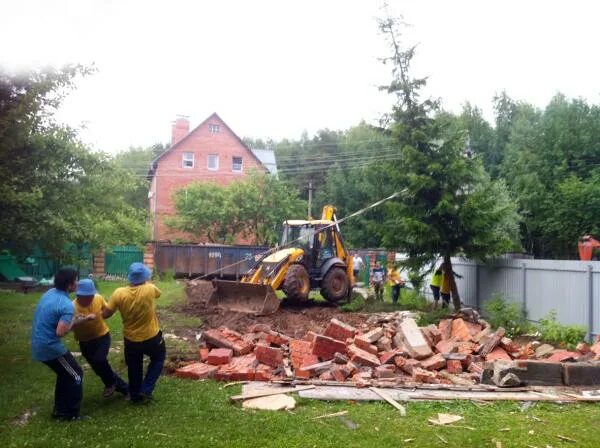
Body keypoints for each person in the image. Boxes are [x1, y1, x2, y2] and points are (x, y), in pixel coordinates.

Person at [31, 268, 92, 420]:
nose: (78, 283)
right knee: (76, 374)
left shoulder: (50, 293)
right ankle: (70, 414)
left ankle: (60, 411)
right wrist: (74, 320)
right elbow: (61, 332)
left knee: (65, 375)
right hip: (49, 347)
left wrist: (75, 320)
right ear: (70, 285)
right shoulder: (66, 305)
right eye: (76, 280)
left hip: (38, 342)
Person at [103, 262, 164, 404]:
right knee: (159, 358)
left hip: (131, 339)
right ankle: (146, 389)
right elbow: (158, 294)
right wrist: (147, 283)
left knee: (134, 366)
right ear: (145, 277)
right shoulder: (150, 288)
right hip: (151, 336)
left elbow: (106, 314)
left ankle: (135, 395)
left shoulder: (119, 293)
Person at [72, 279, 129, 398]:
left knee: (99, 360)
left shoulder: (98, 298)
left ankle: (113, 384)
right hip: (85, 342)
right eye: (86, 296)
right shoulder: (72, 307)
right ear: (78, 295)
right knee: (98, 367)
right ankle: (123, 388)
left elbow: (107, 310)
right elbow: (67, 326)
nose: (90, 299)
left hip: (102, 336)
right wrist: (81, 320)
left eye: (91, 295)